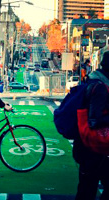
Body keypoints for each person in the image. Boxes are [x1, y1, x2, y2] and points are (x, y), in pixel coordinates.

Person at [73, 51, 109, 200]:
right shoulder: (100, 87)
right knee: (87, 189)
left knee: (87, 188)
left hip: (89, 147)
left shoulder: (94, 81)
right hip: (92, 148)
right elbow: (94, 120)